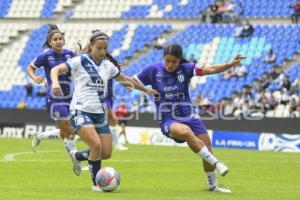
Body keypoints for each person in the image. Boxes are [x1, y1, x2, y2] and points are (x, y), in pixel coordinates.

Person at [50, 30, 157, 191]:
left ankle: (77, 156)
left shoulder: (108, 66)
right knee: (96, 145)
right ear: (91, 46)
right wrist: (55, 83)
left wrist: (146, 90)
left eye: (104, 49)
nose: (102, 52)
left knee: (106, 153)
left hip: (99, 114)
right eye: (99, 48)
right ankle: (96, 185)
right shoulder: (79, 61)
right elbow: (55, 70)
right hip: (80, 110)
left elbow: (126, 80)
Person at [133, 44, 245, 193]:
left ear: (180, 61)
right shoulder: (153, 70)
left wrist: (229, 64)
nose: (170, 65)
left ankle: (212, 186)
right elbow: (131, 81)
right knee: (185, 132)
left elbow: (210, 69)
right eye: (167, 61)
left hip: (189, 115)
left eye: (174, 61)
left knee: (207, 146)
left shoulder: (186, 68)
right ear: (163, 58)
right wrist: (146, 90)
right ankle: (217, 163)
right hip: (168, 118)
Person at [26, 24, 79, 173]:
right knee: (69, 132)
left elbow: (80, 66)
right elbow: (30, 68)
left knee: (67, 132)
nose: (58, 41)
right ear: (50, 42)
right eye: (55, 39)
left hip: (71, 97)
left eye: (60, 38)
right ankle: (76, 162)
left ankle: (40, 136)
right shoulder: (45, 56)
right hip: (55, 99)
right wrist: (35, 77)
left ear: (64, 40)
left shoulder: (70, 54)